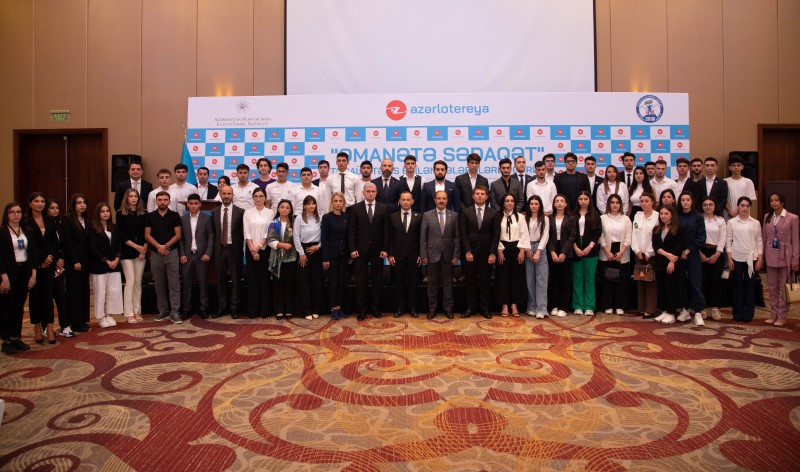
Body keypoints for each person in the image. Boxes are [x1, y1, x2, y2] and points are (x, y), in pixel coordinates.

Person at [0, 202, 37, 355]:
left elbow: (32, 254)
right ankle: (6, 340)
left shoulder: (27, 231)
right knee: (6, 306)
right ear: (7, 214)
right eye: (12, 212)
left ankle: (16, 337)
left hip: (24, 272)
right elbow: (0, 257)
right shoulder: (2, 232)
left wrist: (33, 274)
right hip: (8, 273)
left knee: (19, 307)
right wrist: (4, 277)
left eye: (18, 212)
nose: (16, 215)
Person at [348, 182, 388, 320]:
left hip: (378, 251)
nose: (370, 193)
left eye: (373, 191)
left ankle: (375, 308)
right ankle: (362, 309)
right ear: (363, 193)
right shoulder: (355, 209)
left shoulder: (383, 208)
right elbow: (351, 231)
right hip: (360, 251)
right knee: (361, 282)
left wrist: (385, 249)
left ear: (376, 193)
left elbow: (386, 231)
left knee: (377, 281)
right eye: (368, 191)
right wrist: (352, 248)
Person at [459, 185, 499, 319]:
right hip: (469, 254)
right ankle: (470, 307)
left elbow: (496, 234)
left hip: (487, 254)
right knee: (470, 282)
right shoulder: (466, 212)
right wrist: (467, 251)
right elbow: (463, 233)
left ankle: (485, 308)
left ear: (487, 197)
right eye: (477, 194)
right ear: (473, 196)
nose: (480, 196)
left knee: (485, 282)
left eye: (482, 194)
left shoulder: (494, 212)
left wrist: (493, 252)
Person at [23, 192, 58, 344]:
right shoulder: (25, 221)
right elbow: (29, 244)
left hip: (49, 264)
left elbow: (54, 242)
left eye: (42, 201)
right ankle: (37, 326)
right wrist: (42, 259)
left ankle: (49, 327)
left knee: (48, 296)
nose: (40, 204)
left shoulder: (49, 220)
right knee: (35, 297)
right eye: (36, 201)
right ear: (30, 203)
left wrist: (49, 258)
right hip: (34, 265)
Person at [421, 190, 460, 319]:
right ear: (435, 200)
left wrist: (456, 255)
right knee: (432, 284)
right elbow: (423, 238)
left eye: (444, 198)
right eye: (439, 198)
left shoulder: (454, 215)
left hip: (448, 255)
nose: (441, 201)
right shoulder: (427, 215)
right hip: (432, 255)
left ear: (447, 200)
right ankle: (432, 309)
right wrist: (423, 255)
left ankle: (448, 309)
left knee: (448, 284)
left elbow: (457, 237)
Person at [145, 191, 182, 324]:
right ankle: (163, 310)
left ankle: (175, 312)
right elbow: (147, 235)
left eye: (165, 200)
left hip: (171, 253)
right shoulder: (150, 216)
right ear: (156, 201)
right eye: (160, 199)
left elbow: (178, 235)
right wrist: (159, 247)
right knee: (159, 284)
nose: (162, 202)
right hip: (156, 254)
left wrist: (165, 246)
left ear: (169, 201)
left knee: (174, 285)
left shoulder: (175, 215)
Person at [762, 193, 799, 326]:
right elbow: (764, 238)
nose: (773, 202)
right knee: (772, 287)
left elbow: (795, 240)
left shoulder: (792, 218)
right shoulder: (767, 217)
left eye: (776, 200)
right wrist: (762, 256)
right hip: (770, 254)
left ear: (782, 202)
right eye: (771, 200)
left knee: (784, 287)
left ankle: (782, 315)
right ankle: (774, 313)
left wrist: (796, 259)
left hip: (786, 256)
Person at [178, 193, 215, 320]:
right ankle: (186, 309)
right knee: (186, 284)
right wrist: (182, 254)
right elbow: (181, 239)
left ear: (200, 204)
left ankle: (204, 308)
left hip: (202, 256)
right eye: (191, 204)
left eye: (196, 203)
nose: (193, 206)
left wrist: (208, 253)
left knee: (203, 284)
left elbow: (211, 236)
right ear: (187, 205)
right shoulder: (183, 219)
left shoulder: (207, 218)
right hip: (187, 256)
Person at [727, 197, 763, 322]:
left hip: (751, 258)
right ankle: (737, 313)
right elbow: (728, 241)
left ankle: (748, 313)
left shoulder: (755, 223)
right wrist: (729, 258)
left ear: (750, 207)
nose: (745, 208)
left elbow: (759, 241)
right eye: (742, 205)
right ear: (738, 207)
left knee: (749, 286)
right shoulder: (731, 222)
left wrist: (760, 258)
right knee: (737, 285)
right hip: (736, 257)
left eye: (747, 206)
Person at [387, 191, 422, 318]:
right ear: (399, 201)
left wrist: (421, 254)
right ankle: (400, 307)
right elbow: (390, 237)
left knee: (413, 283)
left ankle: (413, 307)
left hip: (414, 256)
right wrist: (390, 254)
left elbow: (421, 237)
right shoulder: (393, 216)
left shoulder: (419, 216)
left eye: (408, 200)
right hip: (397, 256)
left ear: (412, 201)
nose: (406, 202)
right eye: (403, 199)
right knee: (399, 283)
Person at [211, 185, 245, 319]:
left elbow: (243, 233)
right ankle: (222, 307)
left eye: (229, 194)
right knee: (221, 281)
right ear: (220, 195)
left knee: (236, 280)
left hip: (234, 250)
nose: (226, 196)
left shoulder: (240, 212)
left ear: (232, 195)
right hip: (219, 250)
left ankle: (234, 308)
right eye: (224, 193)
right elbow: (213, 233)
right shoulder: (214, 212)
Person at [88, 202, 123, 328]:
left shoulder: (114, 227)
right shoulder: (93, 228)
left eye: (107, 211)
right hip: (100, 265)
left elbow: (119, 244)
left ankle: (109, 314)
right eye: (102, 211)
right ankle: (101, 316)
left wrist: (117, 259)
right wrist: (107, 261)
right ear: (98, 213)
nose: (105, 213)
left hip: (115, 264)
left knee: (113, 291)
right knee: (100, 291)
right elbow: (93, 248)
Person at [61, 193, 91, 335]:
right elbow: (67, 242)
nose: (82, 205)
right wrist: (75, 260)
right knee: (74, 292)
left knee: (84, 291)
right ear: (73, 205)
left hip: (86, 261)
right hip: (74, 261)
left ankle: (83, 320)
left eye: (84, 202)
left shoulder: (87, 219)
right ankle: (75, 322)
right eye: (79, 203)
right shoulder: (67, 219)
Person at [116, 188, 147, 323]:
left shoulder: (144, 213)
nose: (133, 198)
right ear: (126, 198)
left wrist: (143, 249)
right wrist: (136, 247)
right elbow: (122, 235)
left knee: (138, 282)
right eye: (131, 196)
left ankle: (137, 311)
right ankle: (128, 313)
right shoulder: (120, 214)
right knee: (130, 281)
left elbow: (147, 233)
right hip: (127, 251)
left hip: (141, 252)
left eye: (135, 196)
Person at [495, 194, 528, 317]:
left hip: (517, 248)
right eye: (507, 201)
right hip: (502, 248)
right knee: (503, 277)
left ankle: (514, 304)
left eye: (512, 201)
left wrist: (522, 250)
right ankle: (504, 305)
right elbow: (495, 234)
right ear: (503, 203)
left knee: (517, 277)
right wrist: (499, 250)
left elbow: (524, 234)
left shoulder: (520, 217)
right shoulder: (498, 216)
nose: (510, 203)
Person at [676, 191, 707, 325]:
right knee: (681, 282)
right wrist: (680, 252)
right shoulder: (676, 216)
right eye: (683, 200)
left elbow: (701, 238)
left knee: (695, 282)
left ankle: (698, 312)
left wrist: (688, 251)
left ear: (692, 201)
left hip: (693, 253)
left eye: (687, 200)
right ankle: (685, 309)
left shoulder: (698, 217)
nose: (685, 202)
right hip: (679, 255)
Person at [599, 194, 632, 315]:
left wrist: (621, 252)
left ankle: (619, 305)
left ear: (621, 205)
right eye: (612, 202)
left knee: (621, 279)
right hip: (607, 250)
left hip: (622, 251)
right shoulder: (602, 218)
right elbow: (600, 236)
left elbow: (628, 237)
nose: (615, 205)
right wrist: (607, 251)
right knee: (607, 279)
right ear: (608, 204)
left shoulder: (626, 219)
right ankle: (607, 305)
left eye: (617, 202)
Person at [571, 190, 602, 316]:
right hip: (576, 247)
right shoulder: (573, 214)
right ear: (577, 200)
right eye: (581, 199)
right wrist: (575, 247)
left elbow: (598, 232)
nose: (583, 201)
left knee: (589, 279)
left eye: (585, 199)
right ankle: (578, 305)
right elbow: (569, 233)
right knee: (577, 278)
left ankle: (589, 306)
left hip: (591, 248)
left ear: (590, 200)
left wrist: (590, 246)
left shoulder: (595, 214)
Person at [652, 204, 684, 324]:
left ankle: (671, 313)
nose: (663, 216)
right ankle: (664, 311)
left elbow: (680, 246)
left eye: (666, 213)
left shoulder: (679, 228)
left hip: (673, 263)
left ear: (672, 215)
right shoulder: (657, 229)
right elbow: (656, 246)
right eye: (661, 213)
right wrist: (666, 254)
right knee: (662, 288)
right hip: (660, 262)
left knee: (671, 288)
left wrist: (672, 260)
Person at [267, 200, 298, 319]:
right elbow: (270, 240)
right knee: (277, 284)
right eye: (282, 207)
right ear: (278, 209)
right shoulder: (274, 223)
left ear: (290, 210)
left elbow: (298, 238)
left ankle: (289, 309)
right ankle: (279, 310)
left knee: (289, 284)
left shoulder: (294, 222)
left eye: (287, 207)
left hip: (291, 257)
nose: (284, 209)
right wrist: (282, 245)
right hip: (277, 259)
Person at [294, 195, 324, 320]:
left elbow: (324, 236)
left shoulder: (320, 218)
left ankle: (316, 309)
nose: (311, 206)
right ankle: (306, 310)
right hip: (303, 252)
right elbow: (296, 236)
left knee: (317, 282)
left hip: (317, 251)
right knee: (304, 282)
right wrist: (301, 253)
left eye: (313, 203)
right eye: (308, 204)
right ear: (304, 206)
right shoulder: (299, 218)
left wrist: (318, 247)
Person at [547, 195, 576, 317]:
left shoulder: (571, 218)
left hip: (566, 251)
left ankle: (563, 307)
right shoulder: (549, 218)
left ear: (566, 204)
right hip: (553, 250)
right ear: (554, 204)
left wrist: (564, 252)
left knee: (565, 279)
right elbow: (547, 236)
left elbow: (572, 237)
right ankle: (554, 305)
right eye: (557, 201)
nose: (559, 203)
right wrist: (552, 251)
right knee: (554, 279)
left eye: (562, 201)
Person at [321, 192, 349, 320]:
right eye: (336, 201)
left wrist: (349, 255)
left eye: (340, 201)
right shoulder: (327, 217)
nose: (338, 203)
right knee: (333, 283)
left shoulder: (347, 216)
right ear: (332, 203)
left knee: (341, 282)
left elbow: (348, 237)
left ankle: (339, 307)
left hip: (344, 255)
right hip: (331, 255)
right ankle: (333, 309)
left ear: (343, 203)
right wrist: (325, 258)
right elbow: (324, 238)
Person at [632, 192, 659, 318]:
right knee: (640, 280)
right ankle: (642, 307)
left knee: (651, 282)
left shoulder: (657, 216)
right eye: (642, 201)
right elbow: (634, 234)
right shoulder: (637, 215)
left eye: (646, 201)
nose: (644, 204)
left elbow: (656, 237)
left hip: (651, 254)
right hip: (639, 253)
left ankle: (650, 309)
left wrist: (649, 252)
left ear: (652, 202)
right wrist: (636, 250)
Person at [699, 197, 726, 322]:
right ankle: (703, 308)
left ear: (715, 206)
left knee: (715, 281)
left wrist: (717, 254)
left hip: (716, 252)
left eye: (711, 204)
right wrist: (699, 254)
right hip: (701, 251)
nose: (708, 207)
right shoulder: (699, 219)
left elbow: (723, 238)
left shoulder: (720, 220)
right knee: (702, 281)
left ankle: (715, 308)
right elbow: (695, 236)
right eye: (705, 205)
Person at [523, 195, 549, 319]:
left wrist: (538, 251)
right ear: (529, 205)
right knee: (530, 279)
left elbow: (545, 236)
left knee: (541, 279)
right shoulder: (524, 218)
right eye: (532, 204)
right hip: (527, 247)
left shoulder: (545, 219)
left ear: (540, 205)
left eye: (536, 204)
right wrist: (527, 249)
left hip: (540, 248)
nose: (534, 206)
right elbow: (523, 234)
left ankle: (541, 309)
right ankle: (532, 307)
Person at [46, 199, 67, 340]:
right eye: (52, 208)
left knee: (61, 296)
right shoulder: (43, 225)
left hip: (59, 266)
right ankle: (46, 327)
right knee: (47, 298)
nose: (55, 210)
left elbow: (62, 245)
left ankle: (65, 325)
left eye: (57, 208)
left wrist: (61, 259)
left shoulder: (59, 225)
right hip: (46, 266)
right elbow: (44, 247)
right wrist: (54, 262)